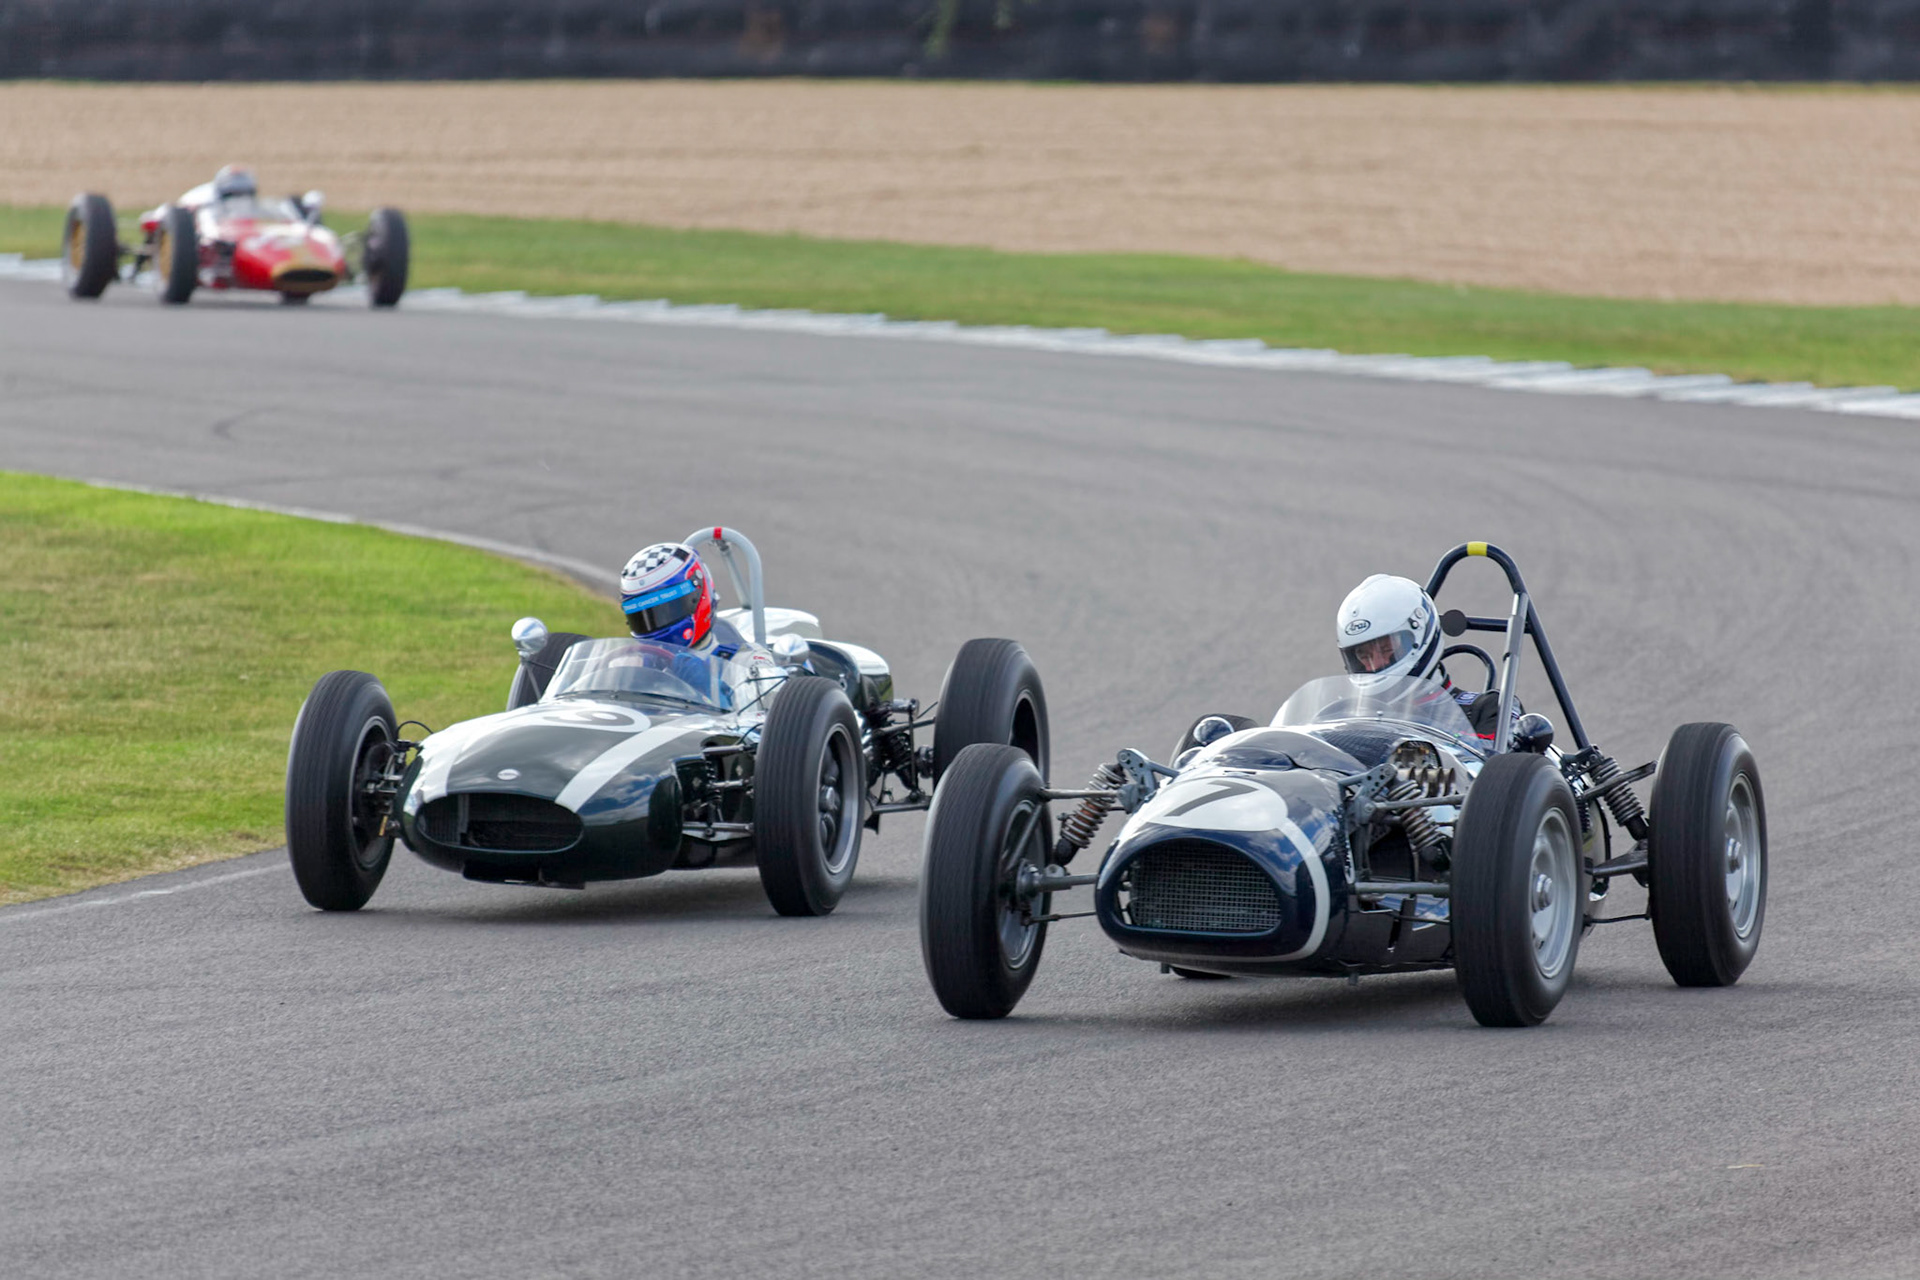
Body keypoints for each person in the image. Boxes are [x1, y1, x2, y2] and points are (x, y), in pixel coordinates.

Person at [1334, 573, 1510, 741]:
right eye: (1364, 655)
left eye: (1387, 649)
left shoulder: (1489, 710)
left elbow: (1497, 766)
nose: (1376, 664)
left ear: (1419, 636)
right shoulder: (1340, 718)